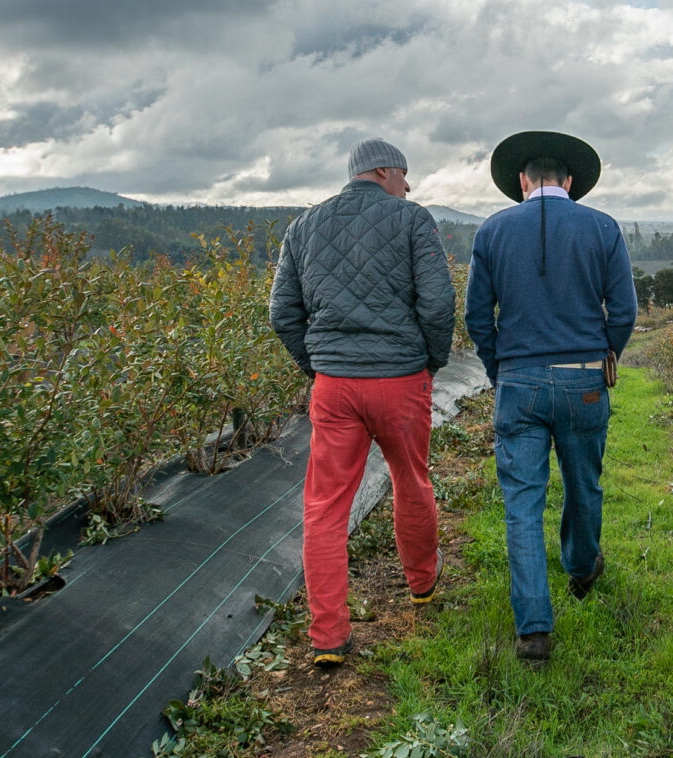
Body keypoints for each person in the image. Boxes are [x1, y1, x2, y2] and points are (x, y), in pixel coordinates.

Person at [269, 138, 455, 668]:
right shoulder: (413, 220)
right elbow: (439, 303)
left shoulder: (302, 227)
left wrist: (319, 364)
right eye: (405, 175)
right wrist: (429, 362)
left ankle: (328, 635)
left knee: (325, 507)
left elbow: (283, 313)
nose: (409, 186)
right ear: (383, 171)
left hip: (335, 385)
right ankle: (422, 584)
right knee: (410, 479)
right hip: (400, 379)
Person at [464, 130, 638, 665]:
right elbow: (625, 311)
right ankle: (583, 569)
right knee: (584, 483)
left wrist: (500, 370)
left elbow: (476, 316)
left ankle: (533, 628)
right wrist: (603, 356)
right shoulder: (603, 228)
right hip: (584, 379)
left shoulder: (492, 231)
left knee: (522, 502)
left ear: (521, 181)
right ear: (569, 181)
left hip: (519, 384)